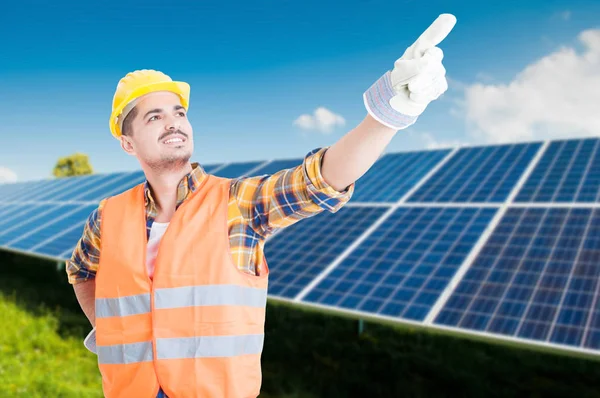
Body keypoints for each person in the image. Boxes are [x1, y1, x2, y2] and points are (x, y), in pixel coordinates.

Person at [66, 13, 456, 398]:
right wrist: (113, 329)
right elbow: (81, 271)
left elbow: (319, 181)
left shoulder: (238, 202)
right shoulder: (107, 215)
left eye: (179, 112)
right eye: (154, 116)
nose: (174, 123)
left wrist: (389, 113)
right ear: (128, 143)